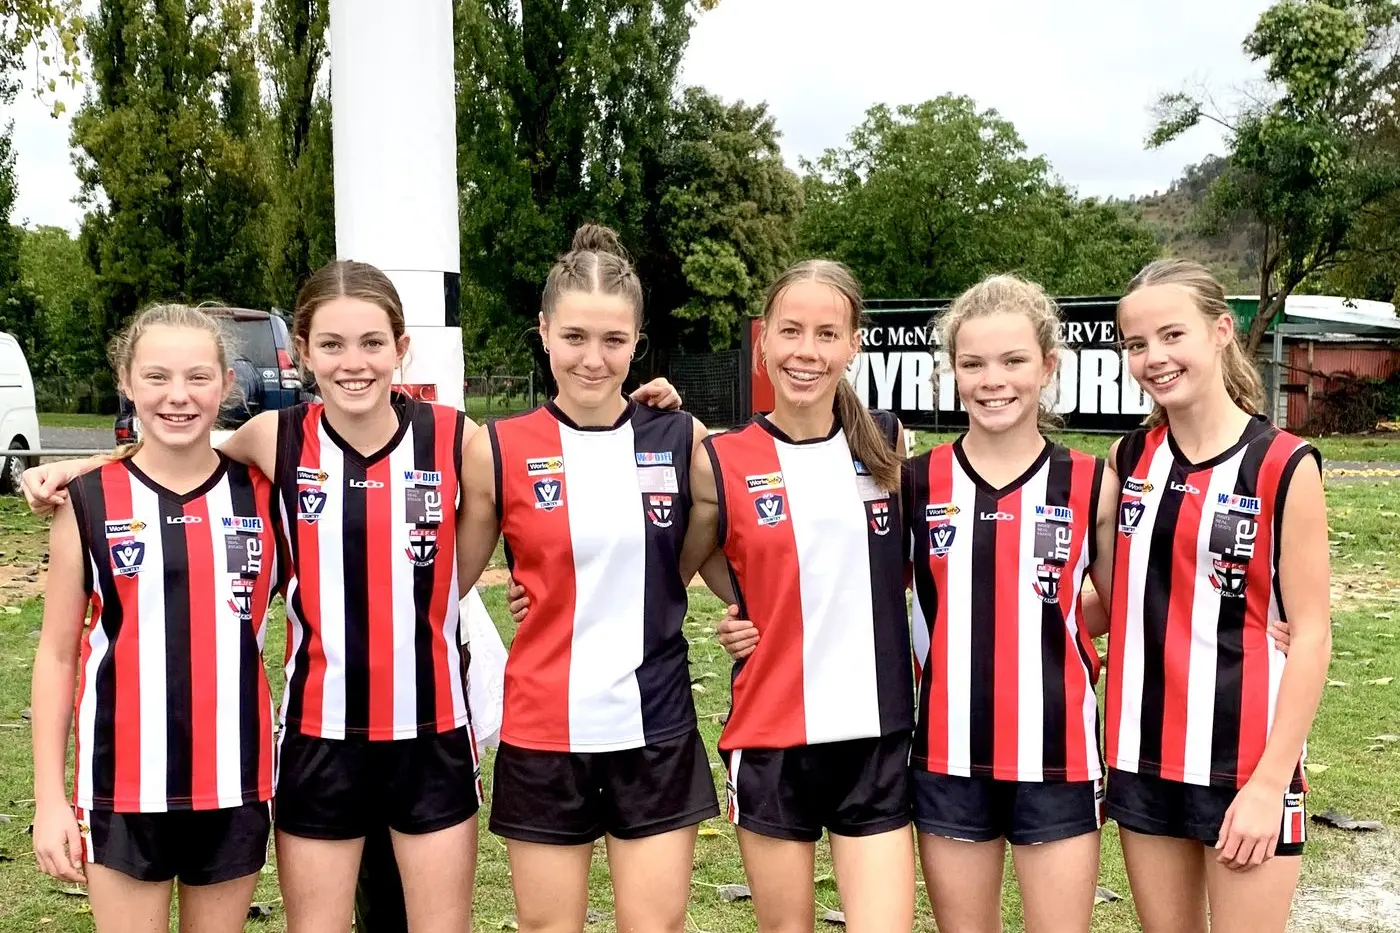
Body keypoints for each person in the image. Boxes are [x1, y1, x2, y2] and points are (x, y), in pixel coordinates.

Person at [21, 259, 684, 933]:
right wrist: (83, 468)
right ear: (303, 352)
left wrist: (642, 411)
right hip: (318, 739)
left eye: (372, 343)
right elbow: (181, 453)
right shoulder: (276, 438)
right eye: (331, 345)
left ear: (401, 348)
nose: (354, 363)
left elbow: (570, 471)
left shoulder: (455, 437)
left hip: (430, 736)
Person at [453, 224, 720, 933]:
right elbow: (444, 582)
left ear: (638, 341)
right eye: (574, 337)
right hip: (543, 731)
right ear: (543, 330)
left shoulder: (681, 437)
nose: (593, 359)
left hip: (655, 725)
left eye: (613, 340)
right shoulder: (498, 448)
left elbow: (717, 550)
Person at [31, 304, 281, 933]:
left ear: (228, 383)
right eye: (157, 377)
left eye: (199, 377)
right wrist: (49, 798)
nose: (178, 396)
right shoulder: (86, 500)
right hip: (123, 784)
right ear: (126, 379)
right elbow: (58, 655)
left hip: (236, 782)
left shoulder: (264, 493)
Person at [685, 259, 916, 932]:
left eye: (826, 333)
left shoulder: (889, 444)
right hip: (772, 735)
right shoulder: (722, 457)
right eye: (790, 330)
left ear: (853, 343)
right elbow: (686, 561)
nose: (806, 351)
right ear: (764, 340)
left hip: (875, 734)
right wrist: (744, 606)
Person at [1104, 259, 1331, 933]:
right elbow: (1108, 599)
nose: (1155, 357)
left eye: (1172, 335)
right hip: (1141, 755)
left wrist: (1268, 784)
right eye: (1137, 343)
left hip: (1247, 763)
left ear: (1221, 331)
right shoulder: (1127, 460)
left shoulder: (1285, 462)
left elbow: (1313, 633)